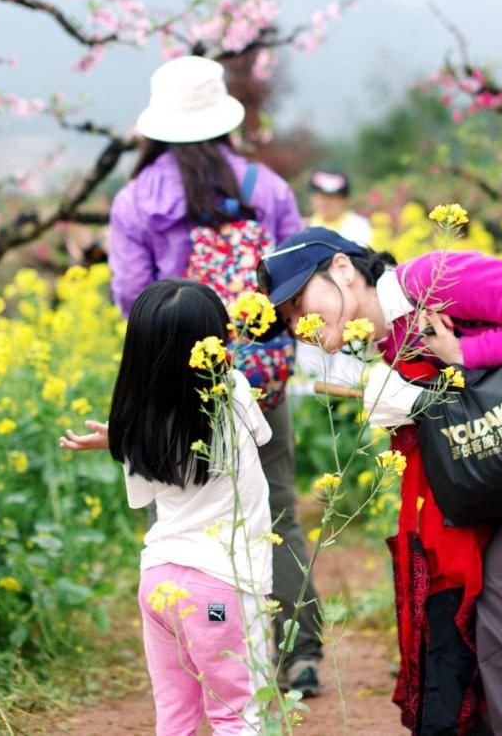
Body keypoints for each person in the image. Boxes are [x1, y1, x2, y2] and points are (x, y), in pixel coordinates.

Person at [256, 227, 502, 736]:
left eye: (298, 301)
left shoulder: (432, 280)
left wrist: (465, 356)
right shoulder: (391, 335)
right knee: (492, 582)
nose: (299, 322)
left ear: (342, 269)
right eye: (289, 318)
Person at [107, 55, 326, 697]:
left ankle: (195, 660)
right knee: (276, 509)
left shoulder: (137, 200)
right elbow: (297, 277)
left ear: (159, 125)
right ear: (223, 118)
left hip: (171, 386)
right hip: (258, 377)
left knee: (174, 521)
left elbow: (131, 299)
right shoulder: (267, 188)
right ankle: (299, 654)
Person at [61, 279, 274, 735]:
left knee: (175, 717)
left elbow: (148, 485)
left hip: (159, 579)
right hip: (224, 585)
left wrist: (120, 439)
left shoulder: (136, 425)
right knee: (238, 716)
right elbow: (259, 436)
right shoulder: (232, 391)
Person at [306, 169, 373, 246]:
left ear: (345, 200)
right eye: (321, 196)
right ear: (311, 198)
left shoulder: (359, 227)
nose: (325, 202)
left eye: (331, 197)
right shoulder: (304, 227)